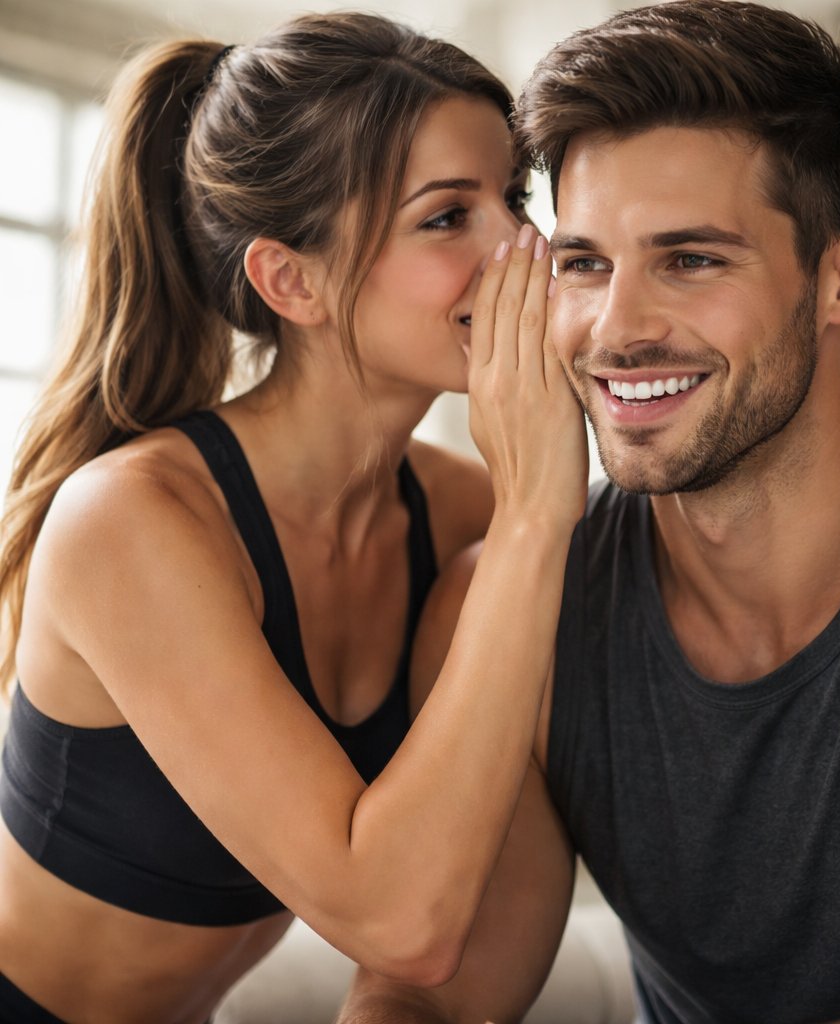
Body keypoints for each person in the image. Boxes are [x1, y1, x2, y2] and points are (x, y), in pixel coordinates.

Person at [338, 2, 840, 1022]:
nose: (616, 329)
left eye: (691, 259)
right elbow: (431, 993)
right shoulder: (517, 605)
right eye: (582, 263)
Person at [0, 11, 587, 1024]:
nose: (521, 248)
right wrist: (539, 507)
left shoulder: (455, 514)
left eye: (514, 197)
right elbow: (399, 919)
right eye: (449, 216)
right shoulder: (134, 523)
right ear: (291, 279)